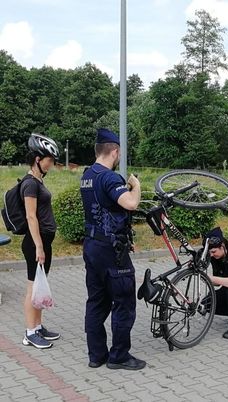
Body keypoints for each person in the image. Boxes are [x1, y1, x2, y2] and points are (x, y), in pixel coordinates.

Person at [80, 128, 146, 370]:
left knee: (96, 301)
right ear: (115, 151)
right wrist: (135, 185)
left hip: (92, 247)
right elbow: (130, 203)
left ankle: (96, 355)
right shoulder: (109, 177)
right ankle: (119, 356)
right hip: (111, 252)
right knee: (124, 301)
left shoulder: (87, 175)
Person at [21, 133, 60, 349]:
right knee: (32, 288)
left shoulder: (38, 181)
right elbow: (30, 216)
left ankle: (38, 327)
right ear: (38, 159)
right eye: (49, 160)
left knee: (40, 287)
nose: (51, 164)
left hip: (44, 242)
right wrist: (38, 246)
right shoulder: (30, 184)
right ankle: (29, 332)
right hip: (35, 243)